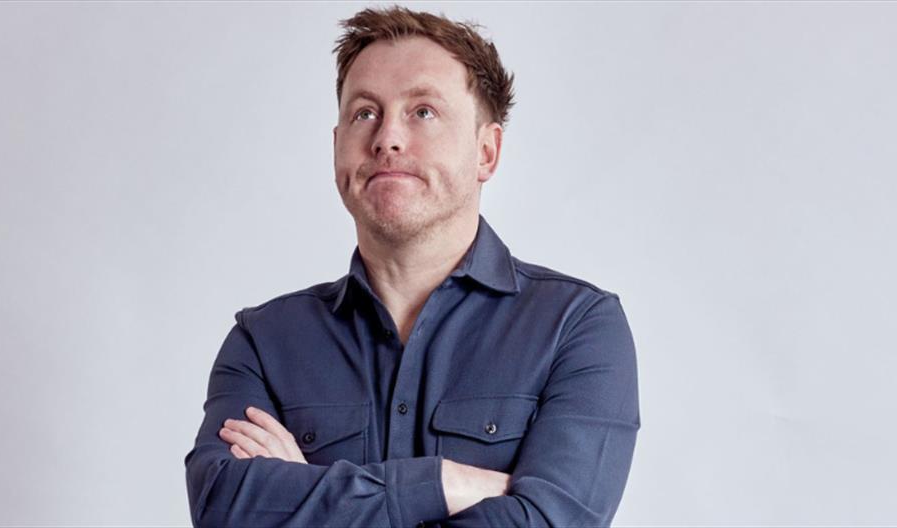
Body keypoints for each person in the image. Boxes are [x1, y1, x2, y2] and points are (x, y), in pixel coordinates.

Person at [184, 5, 640, 527]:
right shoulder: (263, 342)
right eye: (364, 113)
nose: (387, 139)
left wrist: (306, 499)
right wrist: (447, 483)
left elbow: (553, 522)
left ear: (486, 152)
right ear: (338, 149)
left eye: (422, 111)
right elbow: (223, 507)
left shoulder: (577, 328)